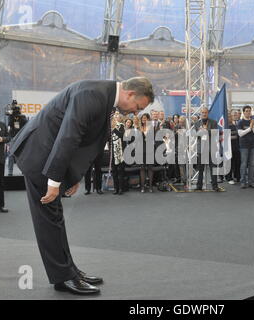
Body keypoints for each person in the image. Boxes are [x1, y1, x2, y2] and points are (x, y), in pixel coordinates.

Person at [10, 77, 154, 295]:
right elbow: (68, 136)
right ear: (130, 94)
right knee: (49, 219)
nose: (135, 113)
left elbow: (83, 140)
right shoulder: (93, 94)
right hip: (39, 156)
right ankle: (63, 277)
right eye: (137, 107)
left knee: (54, 217)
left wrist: (73, 176)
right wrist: (54, 181)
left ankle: (69, 271)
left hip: (47, 156)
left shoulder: (104, 95)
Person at [195, 107, 221, 191]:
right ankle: (199, 186)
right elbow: (197, 135)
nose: (204, 114)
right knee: (200, 169)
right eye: (202, 112)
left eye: (205, 112)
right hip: (201, 149)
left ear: (208, 113)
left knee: (213, 168)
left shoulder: (213, 122)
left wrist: (206, 130)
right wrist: (201, 132)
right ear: (200, 113)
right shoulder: (197, 123)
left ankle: (215, 186)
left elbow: (215, 133)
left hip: (211, 148)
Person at [237, 105, 254, 189]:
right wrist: (250, 128)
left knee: (252, 164)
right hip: (244, 146)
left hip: (253, 145)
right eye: (246, 111)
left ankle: (250, 181)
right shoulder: (240, 122)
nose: (248, 112)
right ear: (243, 112)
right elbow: (240, 134)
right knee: (244, 164)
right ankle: (243, 182)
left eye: (249, 111)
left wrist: (252, 125)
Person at [7, 101, 28, 176]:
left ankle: (23, 170)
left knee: (21, 154)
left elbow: (25, 124)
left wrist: (17, 116)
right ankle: (10, 171)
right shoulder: (11, 116)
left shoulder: (22, 117)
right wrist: (12, 115)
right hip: (13, 137)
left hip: (20, 137)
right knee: (11, 155)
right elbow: (9, 124)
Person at [111, 113, 126, 195]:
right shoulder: (110, 127)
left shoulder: (122, 126)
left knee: (121, 171)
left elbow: (121, 135)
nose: (116, 117)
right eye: (115, 116)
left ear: (120, 118)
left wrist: (114, 129)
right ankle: (115, 188)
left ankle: (121, 188)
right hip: (113, 152)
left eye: (118, 116)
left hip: (120, 152)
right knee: (114, 172)